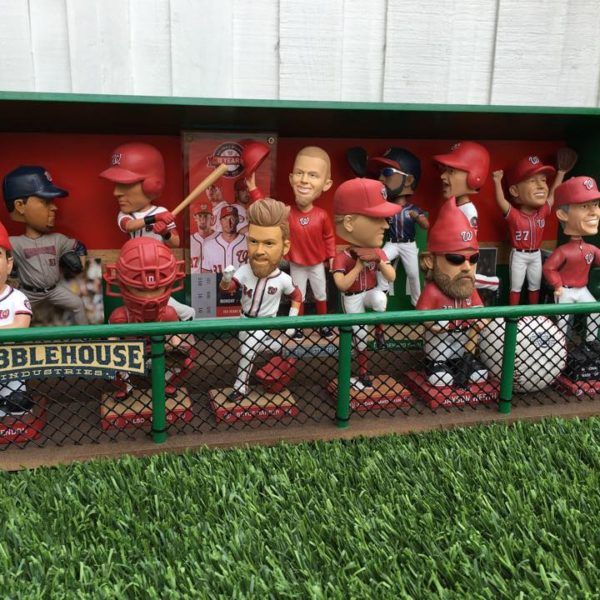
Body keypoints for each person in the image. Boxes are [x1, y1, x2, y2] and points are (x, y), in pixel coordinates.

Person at [246, 146, 336, 339]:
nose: (304, 180)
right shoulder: (287, 212)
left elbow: (329, 237)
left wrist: (332, 256)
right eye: (299, 173)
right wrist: (253, 189)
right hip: (297, 262)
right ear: (291, 178)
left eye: (312, 175)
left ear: (326, 184)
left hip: (317, 263)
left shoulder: (321, 214)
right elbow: (266, 209)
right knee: (299, 295)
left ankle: (324, 324)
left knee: (321, 294)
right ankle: (297, 326)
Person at [100, 142, 195, 321]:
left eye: (124, 185)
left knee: (186, 313)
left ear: (151, 185)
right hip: (133, 272)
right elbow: (128, 226)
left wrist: (165, 232)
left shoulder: (161, 211)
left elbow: (175, 242)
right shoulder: (127, 214)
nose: (116, 193)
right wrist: (153, 220)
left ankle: (179, 346)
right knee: (129, 315)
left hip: (159, 272)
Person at [220, 198, 302, 401]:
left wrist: (292, 319)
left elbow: (297, 295)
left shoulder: (282, 279)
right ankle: (283, 347)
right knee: (249, 348)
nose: (259, 251)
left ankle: (240, 388)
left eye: (269, 243)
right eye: (254, 241)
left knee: (248, 351)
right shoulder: (245, 270)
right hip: (244, 320)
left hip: (266, 322)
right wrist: (226, 279)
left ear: (284, 247)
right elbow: (228, 289)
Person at [104, 237, 198, 399]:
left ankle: (166, 383)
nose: (149, 298)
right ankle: (126, 387)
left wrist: (176, 350)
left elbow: (177, 344)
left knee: (187, 358)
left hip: (160, 355)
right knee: (106, 363)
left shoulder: (168, 313)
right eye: (140, 289)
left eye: (157, 289)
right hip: (131, 358)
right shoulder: (120, 316)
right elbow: (110, 348)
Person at [332, 178, 400, 389]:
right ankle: (362, 373)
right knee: (360, 337)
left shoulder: (377, 251)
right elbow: (342, 285)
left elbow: (391, 277)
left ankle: (379, 331)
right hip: (352, 297)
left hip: (369, 292)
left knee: (380, 298)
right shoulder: (342, 257)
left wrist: (379, 260)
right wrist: (359, 265)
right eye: (376, 218)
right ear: (350, 223)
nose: (386, 225)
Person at [2, 165, 89, 325]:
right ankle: (17, 346)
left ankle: (87, 338)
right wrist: (11, 275)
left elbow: (79, 247)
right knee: (16, 310)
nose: (54, 207)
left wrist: (80, 264)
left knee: (77, 303)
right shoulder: (15, 243)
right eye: (46, 201)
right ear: (20, 206)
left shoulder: (58, 239)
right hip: (29, 293)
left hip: (54, 290)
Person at [416, 198, 488, 387]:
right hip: (440, 340)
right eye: (456, 259)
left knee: (478, 375)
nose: (466, 267)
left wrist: (481, 319)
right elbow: (423, 315)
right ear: (431, 261)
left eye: (473, 259)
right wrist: (435, 323)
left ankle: (464, 363)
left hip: (464, 339)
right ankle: (436, 365)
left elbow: (481, 310)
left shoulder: (468, 288)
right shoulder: (433, 291)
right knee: (441, 376)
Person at [492, 150, 574, 305]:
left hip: (536, 254)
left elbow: (553, 195)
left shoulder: (541, 213)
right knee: (516, 288)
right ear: (515, 191)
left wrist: (561, 173)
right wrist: (497, 181)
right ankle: (513, 319)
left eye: (543, 180)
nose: (541, 186)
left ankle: (534, 319)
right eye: (532, 181)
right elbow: (501, 201)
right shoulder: (515, 215)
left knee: (534, 287)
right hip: (519, 255)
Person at [433, 141, 499, 293]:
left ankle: (493, 283)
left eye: (451, 171)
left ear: (474, 176)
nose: (443, 176)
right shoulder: (452, 208)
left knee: (467, 279)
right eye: (444, 171)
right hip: (450, 258)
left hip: (463, 260)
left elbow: (469, 245)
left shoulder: (468, 210)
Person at [543, 176, 600, 345]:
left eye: (596, 205)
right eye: (584, 206)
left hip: (582, 290)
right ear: (562, 214)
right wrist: (557, 285)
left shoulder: (590, 248)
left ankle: (591, 343)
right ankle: (561, 348)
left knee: (595, 310)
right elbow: (549, 268)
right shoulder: (564, 251)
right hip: (566, 291)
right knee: (563, 321)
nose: (593, 211)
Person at [368, 147, 429, 306]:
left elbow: (426, 225)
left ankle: (418, 304)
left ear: (408, 180)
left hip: (408, 244)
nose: (381, 178)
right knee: (380, 261)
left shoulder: (412, 208)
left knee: (414, 275)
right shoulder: (386, 208)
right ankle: (382, 289)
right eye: (380, 173)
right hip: (393, 242)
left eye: (387, 172)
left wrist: (417, 217)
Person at [0, 220, 34, 416]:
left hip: (11, 366)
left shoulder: (17, 298)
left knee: (16, 407)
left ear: (9, 263)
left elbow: (20, 329)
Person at [201, 205, 248, 274]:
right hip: (217, 284)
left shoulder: (248, 243)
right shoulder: (209, 246)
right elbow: (205, 274)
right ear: (220, 221)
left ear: (238, 220)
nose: (229, 223)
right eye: (225, 218)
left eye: (232, 218)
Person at [189, 200, 215, 274]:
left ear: (212, 218)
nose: (203, 219)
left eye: (206, 216)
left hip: (216, 281)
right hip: (195, 281)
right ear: (195, 218)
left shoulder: (221, 238)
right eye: (200, 216)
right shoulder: (190, 240)